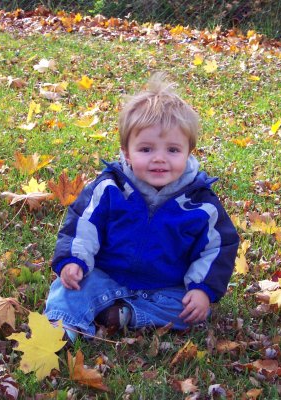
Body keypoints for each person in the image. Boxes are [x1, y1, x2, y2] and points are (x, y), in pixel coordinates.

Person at [44, 72, 240, 341]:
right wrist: (74, 261)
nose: (159, 159)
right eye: (146, 149)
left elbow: (218, 248)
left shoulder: (200, 204)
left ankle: (126, 314)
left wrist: (202, 289)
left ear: (188, 152)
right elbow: (82, 225)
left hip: (166, 286)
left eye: (172, 150)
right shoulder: (110, 189)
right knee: (68, 289)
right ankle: (62, 328)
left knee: (192, 310)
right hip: (106, 276)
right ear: (127, 151)